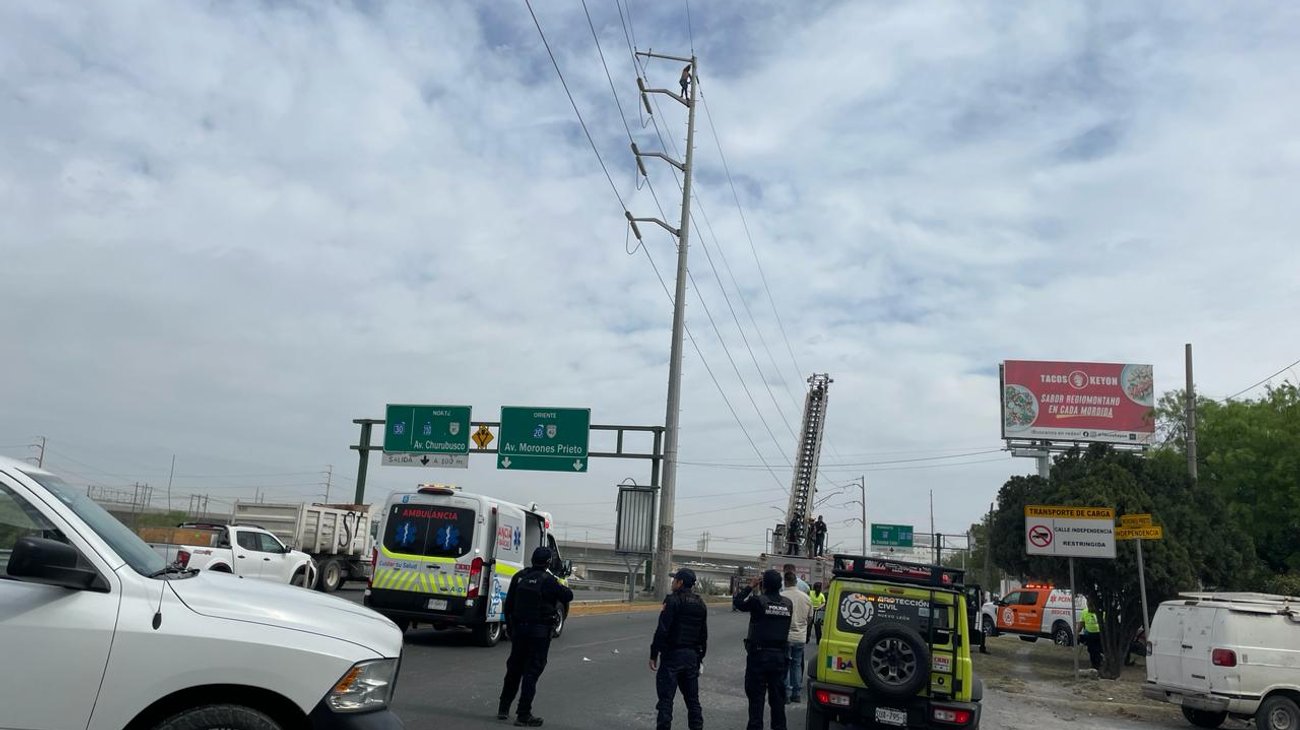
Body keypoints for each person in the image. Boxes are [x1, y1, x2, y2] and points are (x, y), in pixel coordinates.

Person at [499, 547, 574, 726]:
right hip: (539, 634)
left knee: (514, 669)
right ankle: (523, 714)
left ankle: (503, 708)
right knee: (531, 673)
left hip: (519, 631)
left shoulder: (519, 577)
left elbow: (508, 605)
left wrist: (510, 628)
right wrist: (556, 580)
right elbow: (568, 595)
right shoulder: (549, 580)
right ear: (548, 562)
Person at [734, 569, 794, 730]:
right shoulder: (788, 604)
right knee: (778, 700)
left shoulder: (758, 601)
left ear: (763, 584)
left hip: (759, 657)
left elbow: (738, 602)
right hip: (780, 657)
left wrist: (750, 586)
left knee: (756, 699)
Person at [651, 568, 708, 730]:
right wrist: (699, 659)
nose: (672, 582)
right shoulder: (700, 604)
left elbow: (662, 630)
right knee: (693, 701)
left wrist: (654, 654)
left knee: (666, 701)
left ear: (680, 582)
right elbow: (703, 635)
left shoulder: (672, 600)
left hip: (672, 656)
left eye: (674, 579)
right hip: (691, 657)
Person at [781, 572, 814, 704]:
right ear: (796, 582)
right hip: (800, 637)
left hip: (786, 636)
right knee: (796, 665)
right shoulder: (806, 598)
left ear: (785, 582)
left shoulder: (782, 596)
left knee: (786, 665)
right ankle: (797, 694)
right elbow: (810, 618)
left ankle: (786, 694)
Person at [1077, 597, 1103, 671]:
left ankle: (1099, 663)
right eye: (1088, 606)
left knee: (1098, 650)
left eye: (1091, 606)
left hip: (1099, 635)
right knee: (1091, 650)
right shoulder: (1084, 612)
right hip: (1089, 634)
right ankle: (1094, 665)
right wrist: (1077, 632)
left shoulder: (1101, 612)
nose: (1090, 608)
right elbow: (1081, 623)